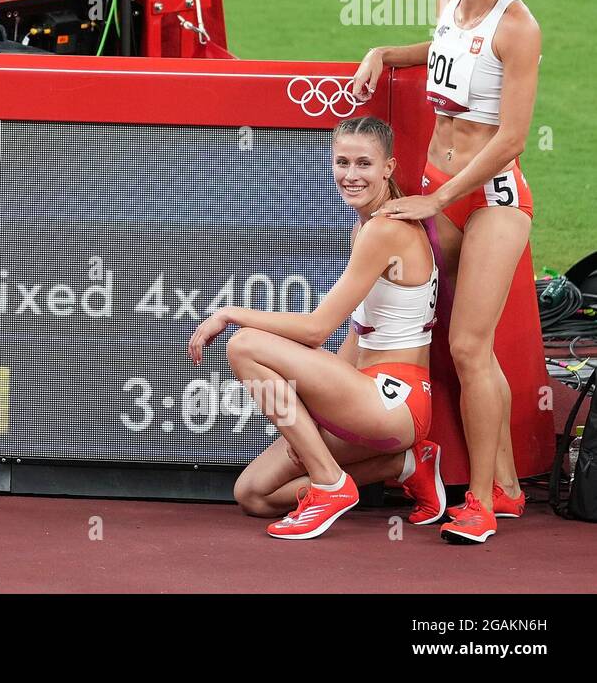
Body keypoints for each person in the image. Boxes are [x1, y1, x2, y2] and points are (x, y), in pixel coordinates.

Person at [350, 0, 538, 544]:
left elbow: (511, 138)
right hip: (441, 187)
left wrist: (438, 198)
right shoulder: (446, 0)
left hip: (493, 200)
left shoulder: (519, 28)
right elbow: (443, 53)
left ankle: (481, 503)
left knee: (465, 346)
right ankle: (509, 488)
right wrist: (386, 52)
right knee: (468, 350)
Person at [188, 118, 445, 540]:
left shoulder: (384, 230)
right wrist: (318, 409)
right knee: (252, 494)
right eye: (342, 162)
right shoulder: (365, 227)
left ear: (389, 168)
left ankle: (329, 483)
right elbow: (354, 334)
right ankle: (404, 465)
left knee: (244, 345)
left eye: (364, 163)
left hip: (395, 401)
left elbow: (315, 331)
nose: (351, 174)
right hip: (361, 397)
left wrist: (231, 313)